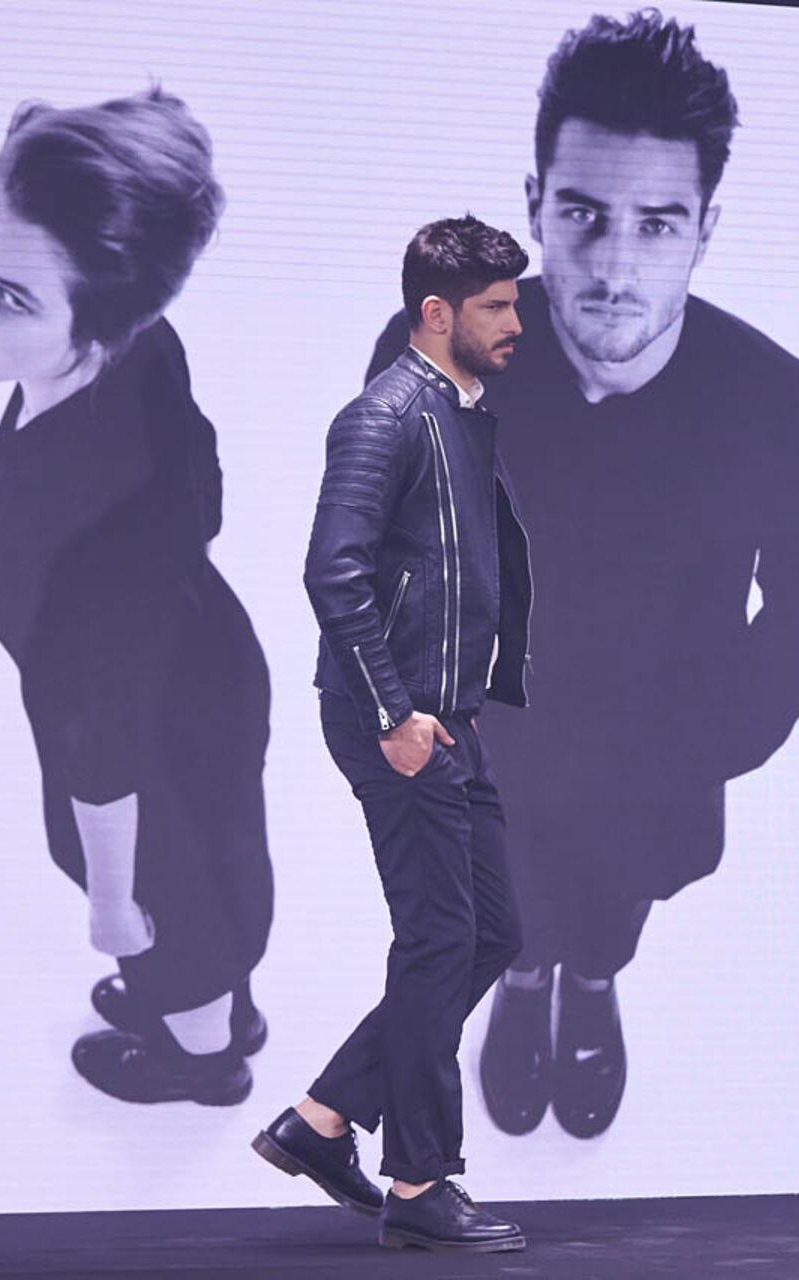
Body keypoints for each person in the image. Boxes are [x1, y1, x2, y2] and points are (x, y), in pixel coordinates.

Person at [365, 8, 799, 1142]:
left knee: (614, 903)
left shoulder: (785, 404)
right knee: (499, 893)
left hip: (658, 754)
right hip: (483, 737)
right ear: (534, 206)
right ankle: (522, 974)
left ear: (705, 229)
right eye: (584, 214)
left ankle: (587, 981)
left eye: (658, 222)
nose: (615, 264)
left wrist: (707, 743)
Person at [0, 88, 274, 1107]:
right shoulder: (139, 344)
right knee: (215, 863)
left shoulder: (98, 551)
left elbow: (101, 756)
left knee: (169, 909)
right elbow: (204, 477)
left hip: (144, 733)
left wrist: (111, 902)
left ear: (99, 322)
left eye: (14, 298)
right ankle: (223, 999)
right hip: (201, 656)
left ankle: (205, 1055)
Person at [250, 216, 533, 1254]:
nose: (515, 323)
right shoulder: (385, 417)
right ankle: (419, 1180)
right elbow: (334, 573)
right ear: (436, 312)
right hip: (396, 716)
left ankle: (323, 1119)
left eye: (514, 303)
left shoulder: (459, 413)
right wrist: (394, 712)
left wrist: (446, 701)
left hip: (443, 713)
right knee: (440, 940)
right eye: (496, 307)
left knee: (487, 933)